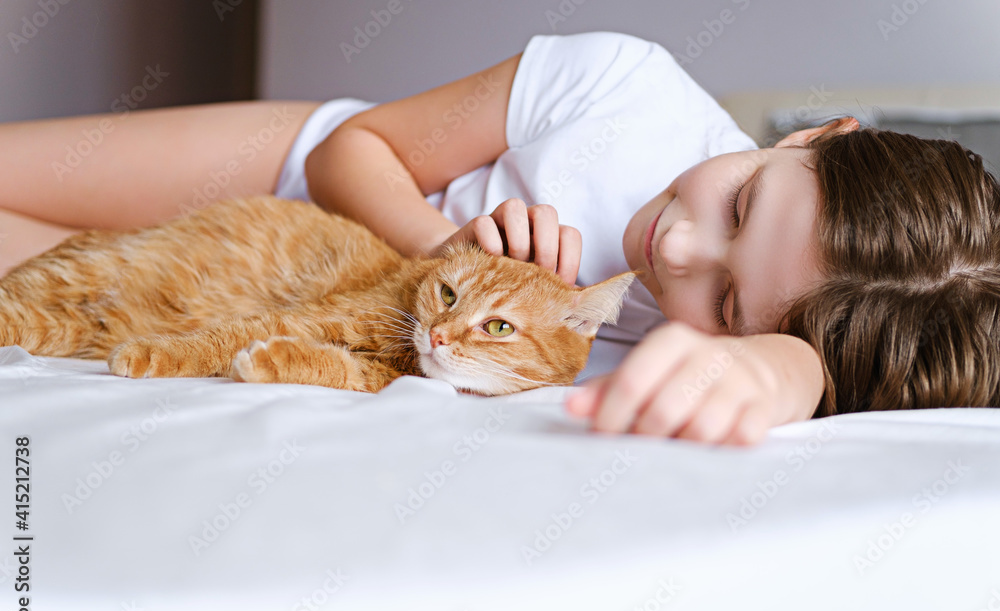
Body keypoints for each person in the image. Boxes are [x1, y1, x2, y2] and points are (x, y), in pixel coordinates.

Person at [1, 32, 997, 444]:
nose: (681, 249)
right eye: (739, 205)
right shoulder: (627, 84)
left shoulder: (731, 357)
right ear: (819, 136)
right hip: (288, 179)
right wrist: (449, 252)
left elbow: (797, 385)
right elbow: (358, 147)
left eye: (729, 302)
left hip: (273, 302)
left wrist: (786, 368)